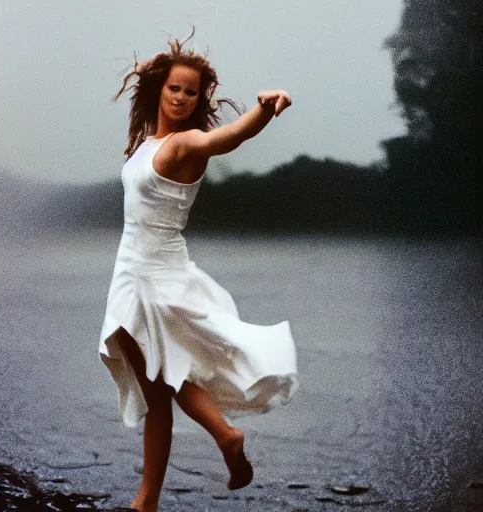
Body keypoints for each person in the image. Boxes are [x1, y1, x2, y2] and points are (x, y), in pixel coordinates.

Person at [98, 29, 299, 512]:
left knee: (163, 380)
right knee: (160, 388)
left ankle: (224, 436)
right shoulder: (151, 143)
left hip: (148, 275)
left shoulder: (187, 142)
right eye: (175, 88)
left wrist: (264, 110)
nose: (183, 97)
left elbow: (230, 136)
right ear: (159, 90)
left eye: (191, 91)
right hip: (144, 269)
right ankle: (148, 499)